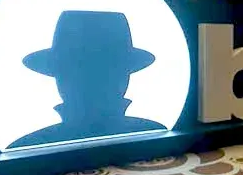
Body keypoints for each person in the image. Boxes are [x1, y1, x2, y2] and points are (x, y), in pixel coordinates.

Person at [8, 11, 166, 149]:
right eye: (79, 67)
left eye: (106, 69)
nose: (93, 82)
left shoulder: (28, 146)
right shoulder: (155, 136)